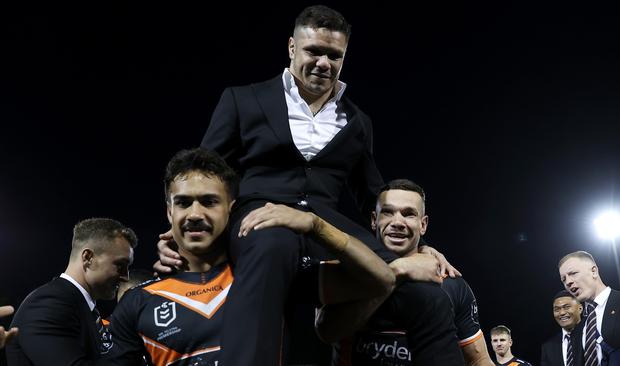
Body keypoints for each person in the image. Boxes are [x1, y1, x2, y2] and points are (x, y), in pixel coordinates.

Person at [158, 5, 460, 365]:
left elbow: (371, 196)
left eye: (334, 55)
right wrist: (178, 235)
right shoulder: (243, 99)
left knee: (430, 288)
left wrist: (419, 245)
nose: (323, 62)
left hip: (325, 225)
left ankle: (398, 276)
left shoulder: (358, 121)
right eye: (314, 51)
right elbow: (203, 172)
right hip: (262, 214)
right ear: (291, 47)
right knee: (273, 243)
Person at [106, 148, 396, 365]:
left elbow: (379, 278)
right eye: (183, 203)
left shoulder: (268, 275)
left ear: (231, 209)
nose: (195, 214)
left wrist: (316, 225)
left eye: (209, 202)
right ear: (170, 211)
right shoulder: (138, 302)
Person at [329, 179, 493, 366]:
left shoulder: (452, 284)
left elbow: (479, 360)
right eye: (388, 212)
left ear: (423, 225)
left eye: (408, 214)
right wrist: (398, 270)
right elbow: (324, 329)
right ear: (374, 220)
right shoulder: (346, 273)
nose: (397, 222)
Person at [6, 218, 137, 365]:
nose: (126, 277)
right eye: (120, 265)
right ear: (88, 257)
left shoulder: (79, 306)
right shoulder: (49, 303)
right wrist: (133, 343)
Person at [558, 250, 620, 365]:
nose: (568, 282)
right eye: (563, 279)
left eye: (573, 273)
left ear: (594, 271)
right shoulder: (577, 329)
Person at [540, 290, 582, 366]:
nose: (562, 313)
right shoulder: (548, 347)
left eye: (566, 307)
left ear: (580, 309)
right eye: (557, 309)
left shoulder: (593, 335)